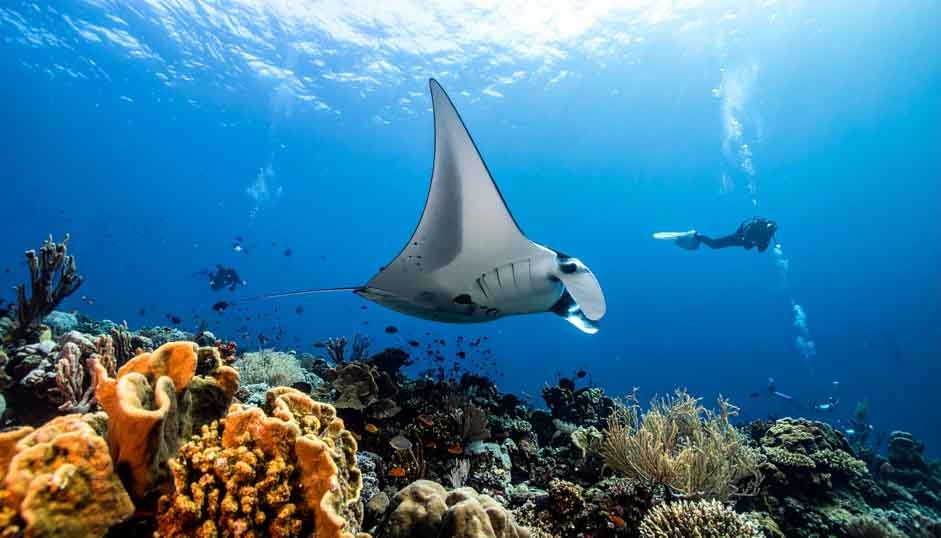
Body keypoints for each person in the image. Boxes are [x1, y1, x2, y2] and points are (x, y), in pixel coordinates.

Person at [653, 217, 778, 252]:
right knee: (714, 245)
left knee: (715, 245)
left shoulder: (767, 237)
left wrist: (752, 243)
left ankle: (698, 236)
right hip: (740, 236)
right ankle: (697, 235)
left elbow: (758, 248)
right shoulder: (760, 228)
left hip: (743, 239)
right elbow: (746, 228)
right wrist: (746, 238)